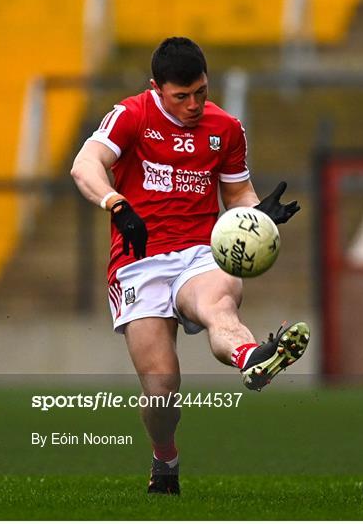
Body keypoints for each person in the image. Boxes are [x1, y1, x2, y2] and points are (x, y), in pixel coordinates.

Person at [71, 36, 310, 495]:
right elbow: (85, 165)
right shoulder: (132, 116)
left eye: (201, 91)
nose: (195, 104)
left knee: (219, 306)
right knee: (162, 390)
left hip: (203, 253)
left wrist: (258, 214)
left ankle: (254, 357)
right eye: (182, 96)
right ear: (156, 88)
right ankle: (165, 458)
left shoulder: (226, 127)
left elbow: (237, 193)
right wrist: (116, 204)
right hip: (138, 263)